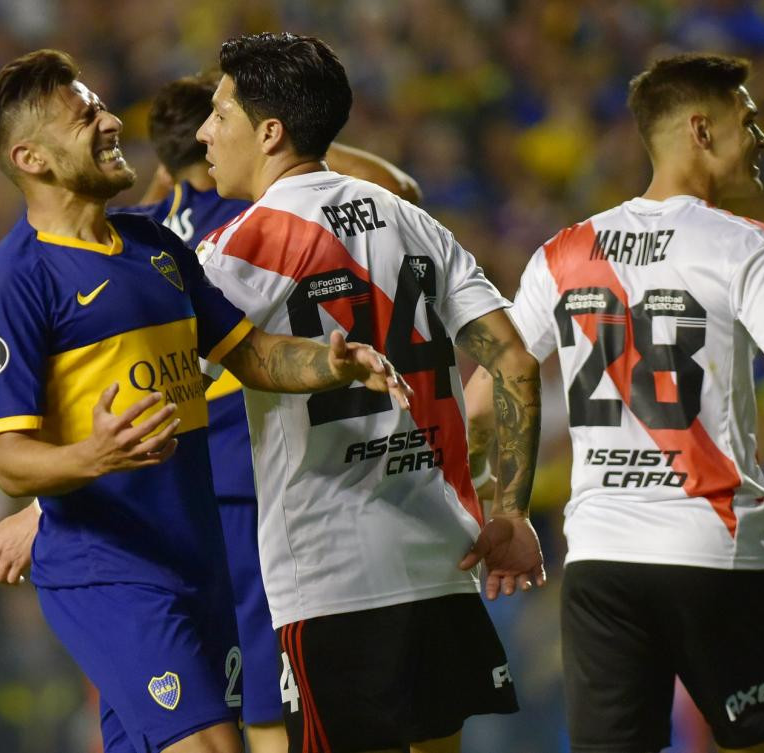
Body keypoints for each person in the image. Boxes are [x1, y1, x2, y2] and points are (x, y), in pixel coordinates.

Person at [467, 52, 764, 753]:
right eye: (750, 121)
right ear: (701, 131)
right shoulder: (743, 245)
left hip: (599, 563)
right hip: (714, 557)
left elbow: (481, 398)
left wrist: (502, 508)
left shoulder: (561, 252)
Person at [0, 49, 410, 753]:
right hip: (108, 567)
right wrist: (94, 454)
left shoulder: (154, 246)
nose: (112, 122)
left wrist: (329, 362)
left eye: (100, 106)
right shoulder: (14, 285)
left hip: (199, 561)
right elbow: (11, 462)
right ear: (32, 158)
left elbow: (251, 354)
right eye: (86, 118)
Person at [195, 32, 544, 753]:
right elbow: (511, 356)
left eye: (220, 113)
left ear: (269, 131)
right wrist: (508, 508)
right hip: (442, 556)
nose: (205, 131)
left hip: (332, 573)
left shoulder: (236, 251)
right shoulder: (414, 221)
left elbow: (166, 400)